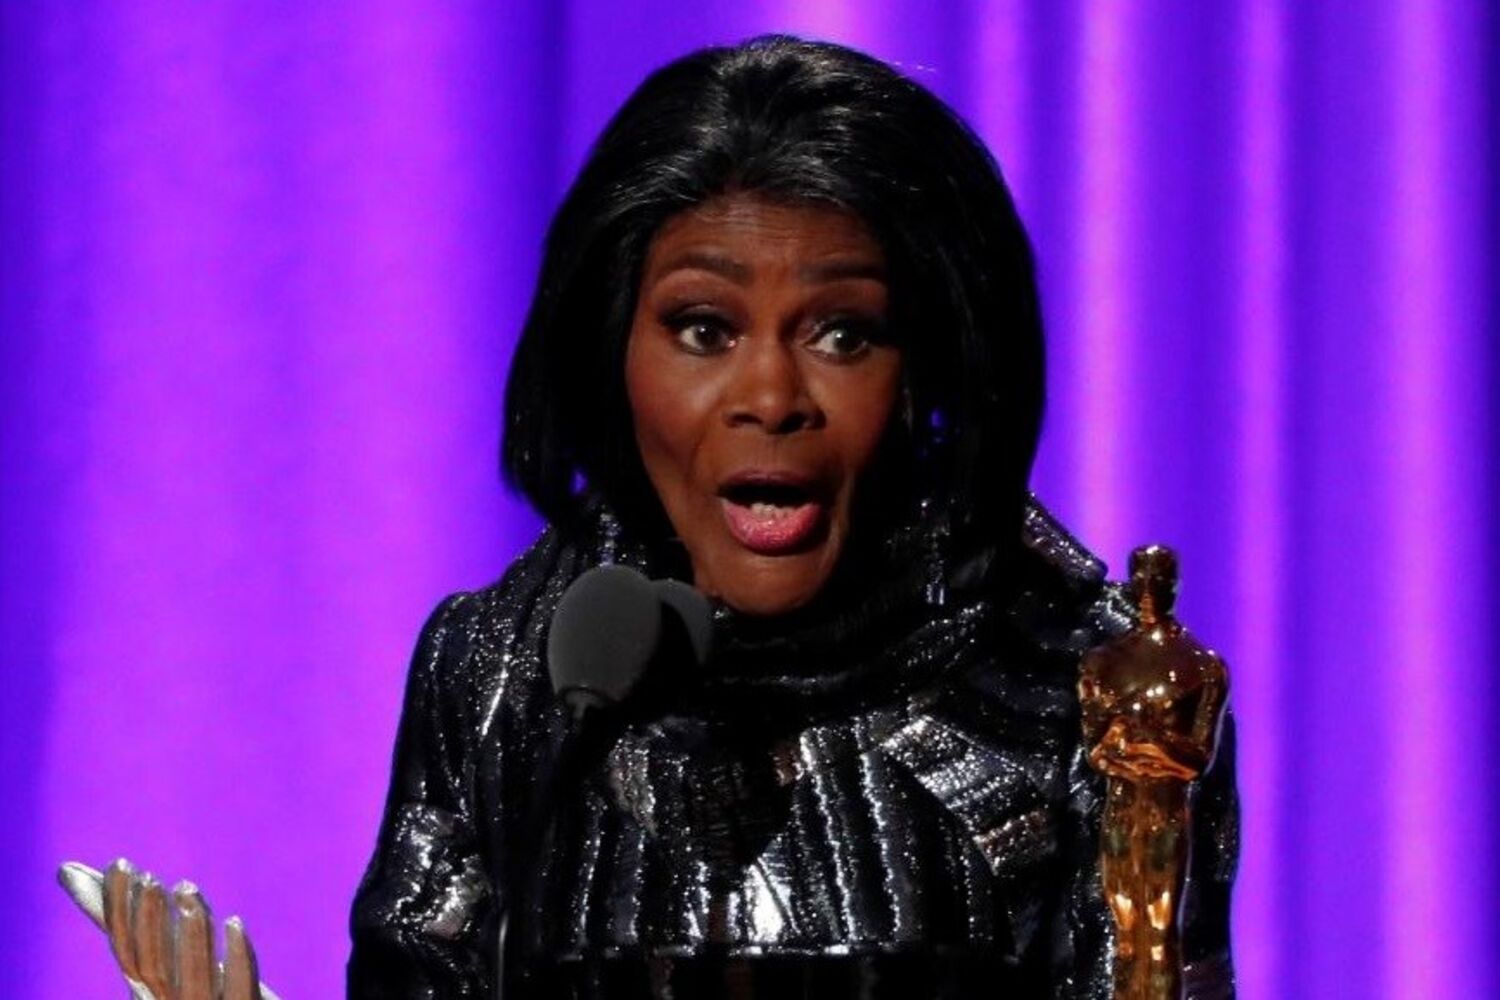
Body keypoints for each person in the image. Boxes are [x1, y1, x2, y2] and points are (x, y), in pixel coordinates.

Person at [346, 35, 1238, 999]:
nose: (770, 398)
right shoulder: (505, 672)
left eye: (843, 334)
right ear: (611, 350)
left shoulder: (1094, 687)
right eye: (704, 330)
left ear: (933, 367)